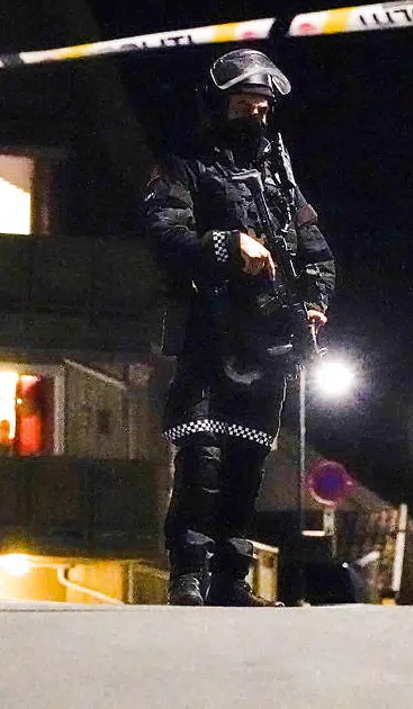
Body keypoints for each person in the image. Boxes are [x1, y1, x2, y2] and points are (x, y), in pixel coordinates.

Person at [143, 48, 336, 606]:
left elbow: (315, 249)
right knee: (202, 454)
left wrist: (315, 301)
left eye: (263, 104)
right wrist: (229, 244)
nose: (256, 112)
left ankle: (231, 578)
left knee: (249, 461)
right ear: (217, 104)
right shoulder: (184, 164)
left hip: (270, 336)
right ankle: (188, 574)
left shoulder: (279, 173)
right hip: (207, 330)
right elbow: (165, 232)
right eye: (244, 102)